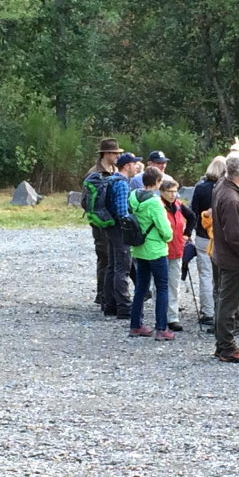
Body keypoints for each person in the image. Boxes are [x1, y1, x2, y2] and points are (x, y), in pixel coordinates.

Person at [211, 150, 239, 363]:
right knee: (228, 303)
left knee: (224, 300)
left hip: (222, 254)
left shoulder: (221, 186)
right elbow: (234, 236)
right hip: (232, 258)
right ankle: (227, 347)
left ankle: (222, 345)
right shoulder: (231, 198)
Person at [127, 166, 175, 340]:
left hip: (139, 248)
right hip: (155, 250)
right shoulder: (155, 203)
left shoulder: (133, 196)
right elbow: (166, 231)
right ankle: (161, 328)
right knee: (162, 288)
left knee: (140, 288)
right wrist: (168, 235)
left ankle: (135, 325)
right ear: (157, 182)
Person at [84, 138, 123, 314]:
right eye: (115, 153)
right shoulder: (94, 173)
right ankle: (102, 295)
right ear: (106, 153)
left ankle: (113, 296)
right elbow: (86, 201)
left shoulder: (116, 171)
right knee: (104, 257)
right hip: (100, 224)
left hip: (114, 222)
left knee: (115, 258)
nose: (117, 156)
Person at [190, 155, 226, 327]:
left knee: (205, 274)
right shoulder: (226, 189)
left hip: (203, 235)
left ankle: (208, 311)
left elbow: (193, 211)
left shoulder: (201, 188)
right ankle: (222, 309)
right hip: (221, 237)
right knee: (222, 275)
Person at [103, 153, 139, 319]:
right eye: (134, 164)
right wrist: (131, 227)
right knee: (122, 268)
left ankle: (109, 305)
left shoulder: (111, 180)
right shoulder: (122, 184)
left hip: (110, 228)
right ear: (127, 166)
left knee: (111, 266)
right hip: (120, 230)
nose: (136, 167)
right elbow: (122, 212)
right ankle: (124, 307)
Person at [160, 177, 196, 332]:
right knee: (159, 285)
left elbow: (192, 217)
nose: (173, 195)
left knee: (174, 284)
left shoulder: (179, 205)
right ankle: (161, 315)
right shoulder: (158, 206)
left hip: (177, 250)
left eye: (175, 191)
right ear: (162, 192)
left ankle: (173, 317)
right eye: (170, 191)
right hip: (161, 250)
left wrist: (187, 234)